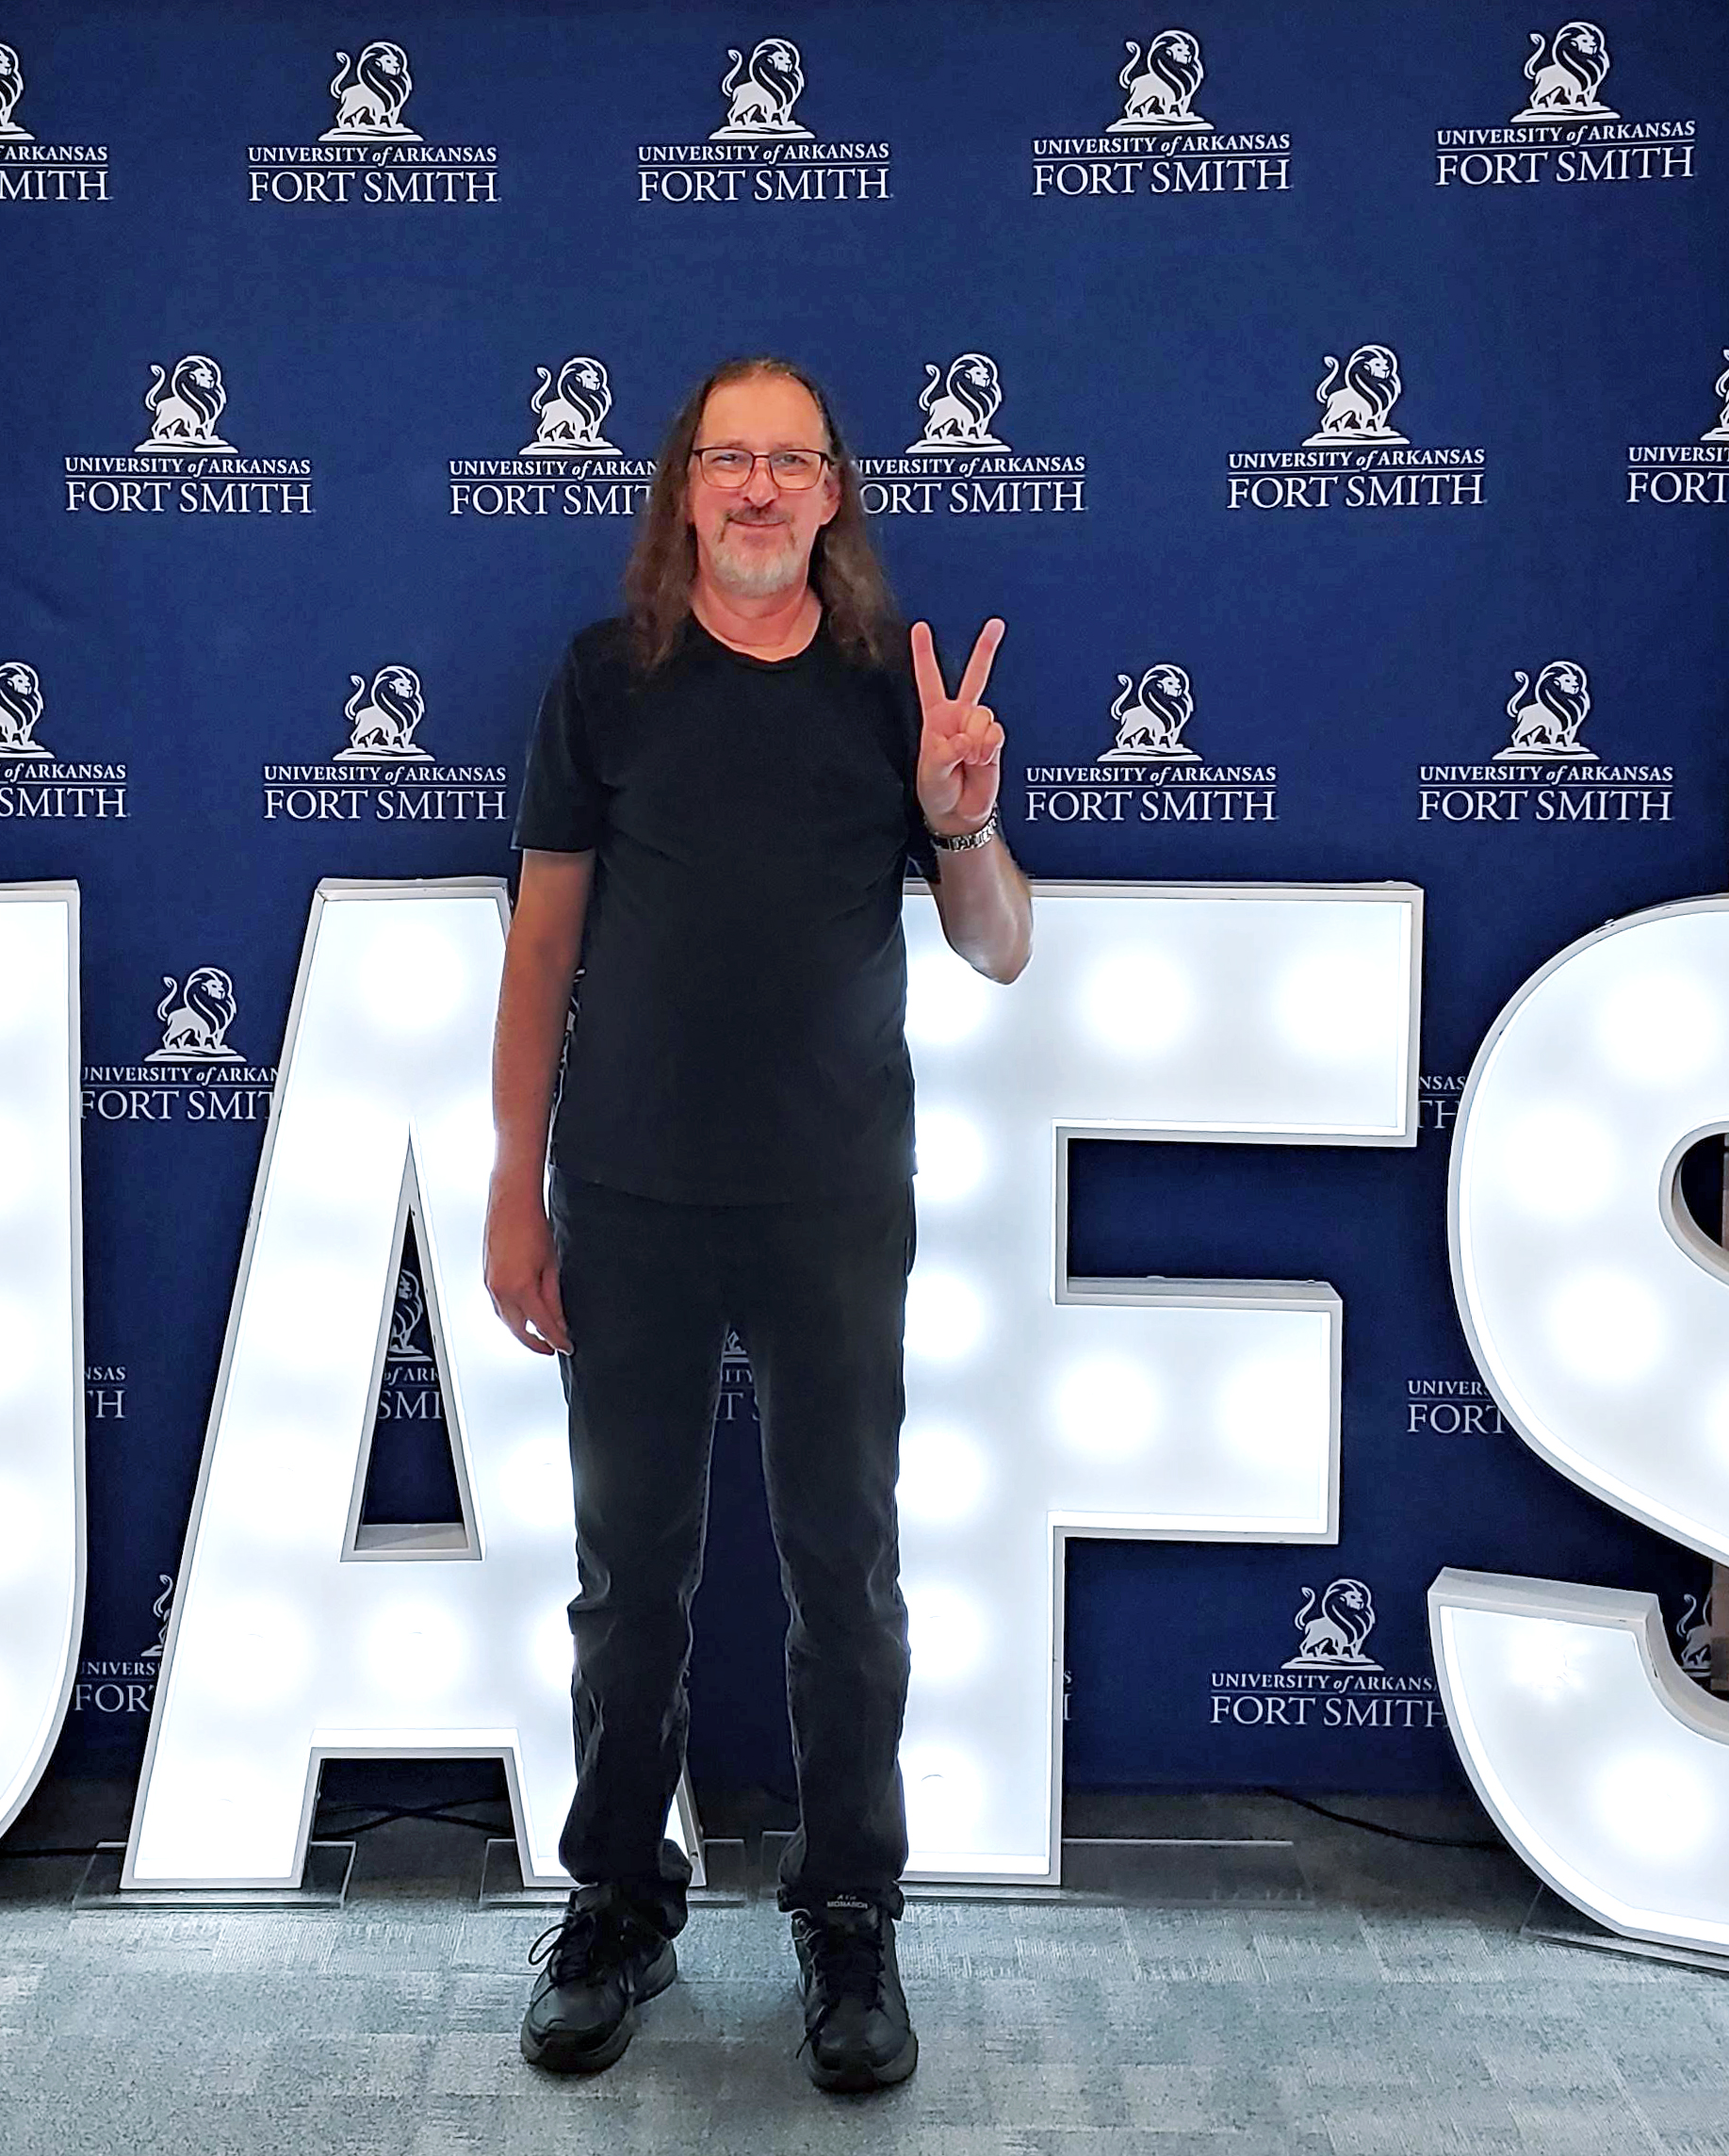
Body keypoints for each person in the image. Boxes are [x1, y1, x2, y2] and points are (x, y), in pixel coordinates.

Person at [484, 355, 1031, 2093]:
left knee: (844, 1582)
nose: (759, 488)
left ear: (832, 497)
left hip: (829, 1202)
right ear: (681, 487)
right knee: (625, 1586)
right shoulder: (604, 681)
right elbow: (541, 949)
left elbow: (997, 948)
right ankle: (617, 1914)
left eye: (794, 460)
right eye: (731, 457)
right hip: (631, 1201)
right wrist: (515, 1186)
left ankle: (847, 1921)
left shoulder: (893, 693)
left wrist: (969, 819)